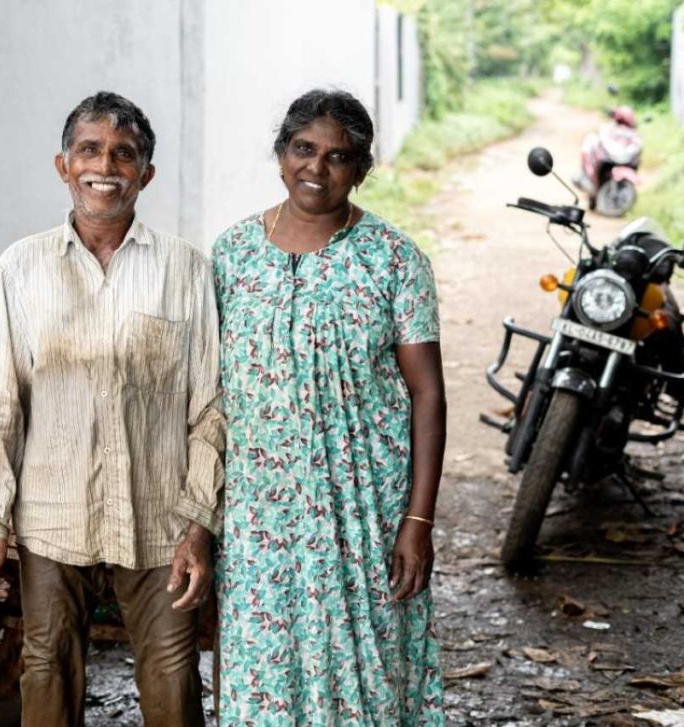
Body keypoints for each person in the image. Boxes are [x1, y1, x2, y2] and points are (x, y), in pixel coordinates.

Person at [0, 91, 224, 727]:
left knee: (172, 673)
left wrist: (199, 520)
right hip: (53, 511)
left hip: (160, 514)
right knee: (46, 666)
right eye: (89, 150)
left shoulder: (187, 270)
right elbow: (1, 402)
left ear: (145, 173)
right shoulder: (19, 268)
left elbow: (210, 405)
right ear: (64, 165)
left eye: (123, 154)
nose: (104, 165)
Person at [213, 89, 446, 724]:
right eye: (303, 150)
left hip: (363, 508)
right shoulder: (232, 255)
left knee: (367, 677)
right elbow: (208, 395)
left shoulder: (395, 260)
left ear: (362, 169)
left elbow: (427, 393)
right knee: (264, 674)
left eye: (338, 157)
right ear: (281, 154)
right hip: (260, 517)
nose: (316, 169)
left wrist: (417, 523)